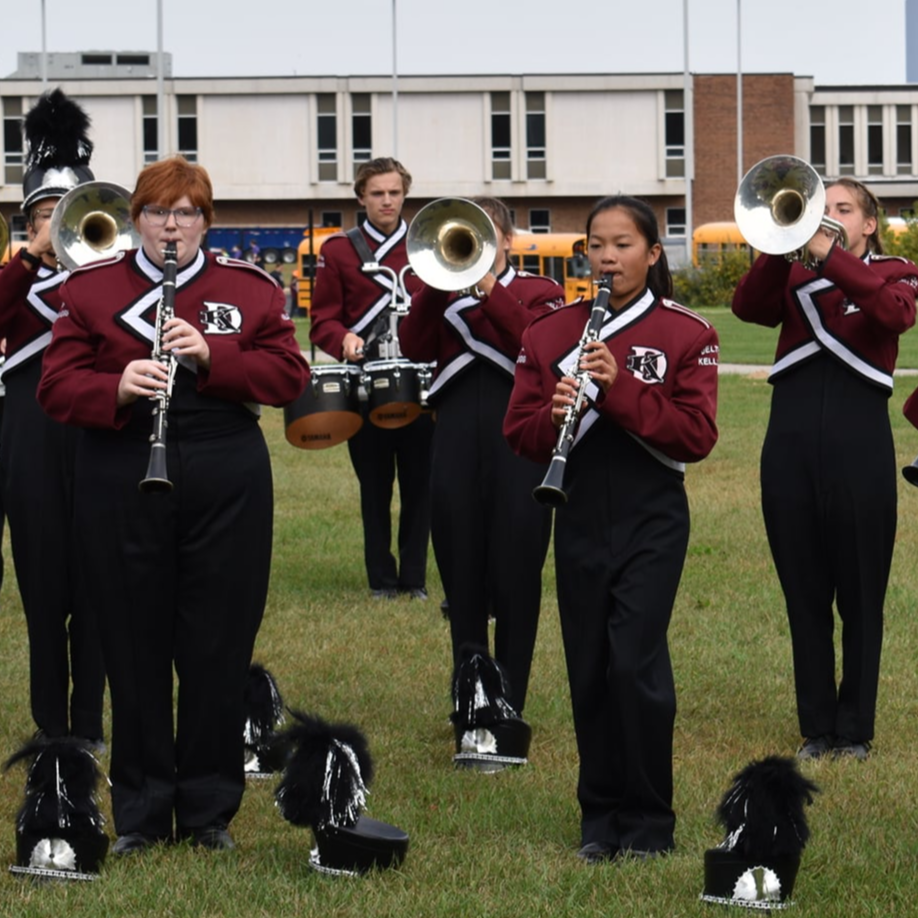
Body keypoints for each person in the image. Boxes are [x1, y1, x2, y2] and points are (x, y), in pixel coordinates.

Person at [37, 156, 310, 855]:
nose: (171, 225)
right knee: (132, 643)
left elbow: (287, 374)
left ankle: (207, 809)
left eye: (186, 212)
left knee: (217, 642)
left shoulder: (246, 289)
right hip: (120, 466)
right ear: (136, 220)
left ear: (206, 222)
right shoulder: (91, 290)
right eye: (158, 212)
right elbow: (55, 387)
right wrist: (116, 386)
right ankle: (141, 809)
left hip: (226, 468)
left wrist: (216, 358)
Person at [504, 196, 718, 862]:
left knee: (635, 662)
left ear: (653, 255)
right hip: (577, 512)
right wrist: (554, 410)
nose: (607, 257)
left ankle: (651, 819)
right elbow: (519, 432)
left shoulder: (688, 332)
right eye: (597, 244)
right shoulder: (548, 333)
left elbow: (697, 435)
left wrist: (618, 387)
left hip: (652, 513)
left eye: (623, 244)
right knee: (590, 667)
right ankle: (599, 815)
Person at [732, 177, 917, 762]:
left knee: (861, 591)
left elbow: (892, 315)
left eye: (842, 209)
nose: (827, 216)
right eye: (820, 207)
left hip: (859, 442)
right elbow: (747, 309)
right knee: (803, 590)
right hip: (786, 442)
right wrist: (780, 242)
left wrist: (828, 256)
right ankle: (816, 725)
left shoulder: (897, 271)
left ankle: (855, 728)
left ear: (868, 225)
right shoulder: (791, 273)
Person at [399, 196, 565, 718]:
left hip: (519, 442)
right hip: (452, 440)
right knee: (459, 567)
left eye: (486, 235)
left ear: (508, 242)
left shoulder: (542, 290)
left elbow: (536, 342)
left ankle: (510, 698)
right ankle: (470, 693)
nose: (476, 245)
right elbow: (414, 346)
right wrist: (434, 283)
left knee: (518, 570)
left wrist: (488, 288)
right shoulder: (438, 292)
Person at [0, 89, 106, 747]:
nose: (57, 225)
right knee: (41, 587)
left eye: (69, 216)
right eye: (44, 214)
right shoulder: (15, 278)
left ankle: (90, 720)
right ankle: (50, 723)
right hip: (31, 441)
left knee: (96, 585)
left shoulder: (112, 281)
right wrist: (32, 256)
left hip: (96, 439)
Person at [309, 157, 432, 600]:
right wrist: (342, 338)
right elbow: (321, 319)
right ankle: (381, 579)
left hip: (419, 383)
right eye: (377, 193)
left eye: (394, 192)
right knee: (375, 487)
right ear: (361, 197)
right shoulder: (339, 250)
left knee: (421, 486)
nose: (387, 201)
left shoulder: (426, 245)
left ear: (405, 194)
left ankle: (414, 578)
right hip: (365, 384)